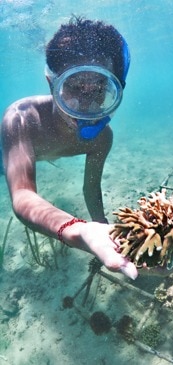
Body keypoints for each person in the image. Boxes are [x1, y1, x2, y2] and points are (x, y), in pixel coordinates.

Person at [1, 16, 139, 279]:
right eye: (74, 88)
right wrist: (76, 228)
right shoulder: (21, 118)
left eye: (100, 90)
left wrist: (102, 230)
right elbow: (22, 195)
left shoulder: (101, 138)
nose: (85, 106)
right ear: (51, 83)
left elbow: (91, 187)